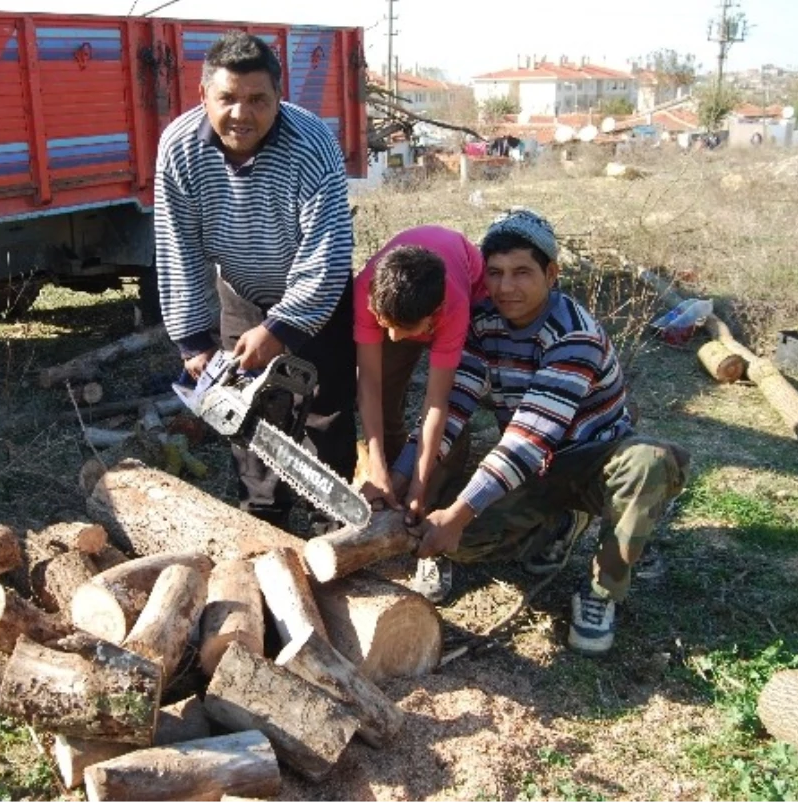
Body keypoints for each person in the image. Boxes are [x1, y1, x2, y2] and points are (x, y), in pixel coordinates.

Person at [401, 208, 690, 655]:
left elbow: (528, 436)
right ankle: (557, 525)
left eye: (521, 272)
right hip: (538, 469)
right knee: (464, 544)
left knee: (647, 463)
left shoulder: (575, 336)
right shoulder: (482, 323)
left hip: (598, 460)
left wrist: (456, 513)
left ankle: (601, 590)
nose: (505, 287)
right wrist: (405, 475)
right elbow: (452, 406)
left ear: (551, 273)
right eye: (494, 273)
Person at [153, 31, 356, 530]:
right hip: (240, 289)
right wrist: (193, 342)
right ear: (204, 97)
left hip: (314, 294)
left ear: (278, 98)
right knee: (246, 411)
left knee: (324, 410)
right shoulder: (178, 148)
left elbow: (327, 251)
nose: (241, 114)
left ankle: (335, 525)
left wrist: (283, 329)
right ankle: (264, 521)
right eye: (227, 99)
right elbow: (177, 246)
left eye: (257, 100)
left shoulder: (312, 142)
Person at [353, 226, 484, 520]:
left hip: (466, 295)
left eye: (405, 330)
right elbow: (370, 385)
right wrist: (377, 466)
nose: (393, 337)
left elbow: (437, 403)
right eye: (383, 324)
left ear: (433, 314)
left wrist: (419, 487)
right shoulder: (367, 289)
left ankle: (437, 479)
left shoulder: (455, 305)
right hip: (405, 304)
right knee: (385, 393)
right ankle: (389, 475)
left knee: (454, 403)